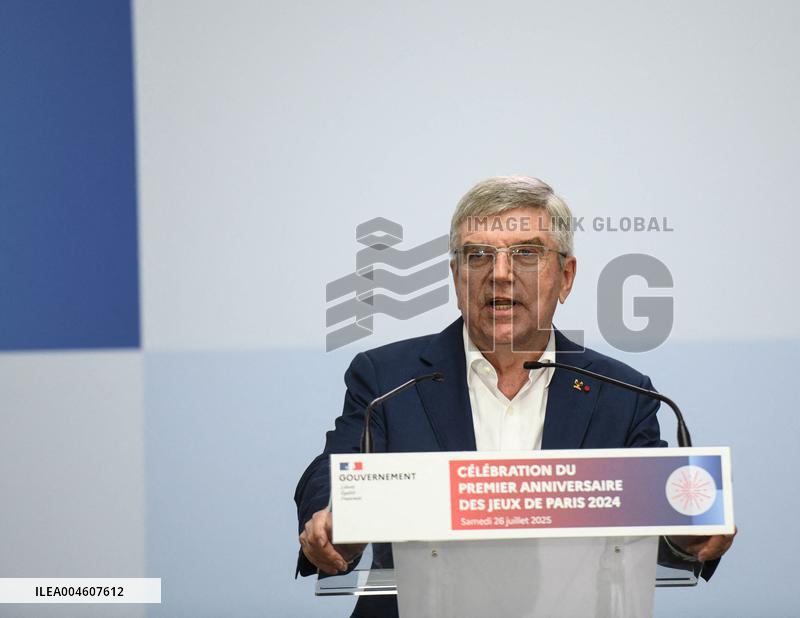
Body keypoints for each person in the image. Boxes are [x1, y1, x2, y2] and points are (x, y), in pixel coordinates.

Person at [295, 176, 735, 616]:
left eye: (526, 254)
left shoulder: (620, 393)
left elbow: (659, 510)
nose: (500, 274)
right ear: (455, 276)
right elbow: (332, 469)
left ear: (565, 277)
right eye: (478, 256)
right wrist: (331, 516)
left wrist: (688, 531)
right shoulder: (388, 378)